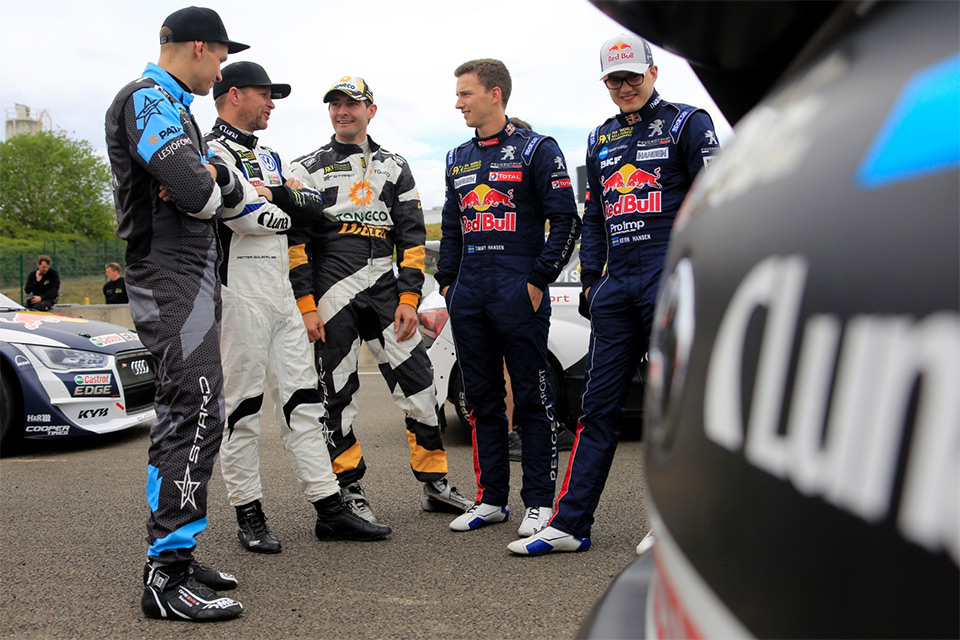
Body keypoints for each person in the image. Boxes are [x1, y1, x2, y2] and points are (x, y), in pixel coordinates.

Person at [509, 34, 720, 556]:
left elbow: (715, 200)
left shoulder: (688, 123)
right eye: (614, 79)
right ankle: (571, 523)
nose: (624, 86)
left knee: (674, 403)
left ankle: (674, 522)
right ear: (605, 82)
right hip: (616, 283)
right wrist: (590, 280)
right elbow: (596, 217)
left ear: (653, 73)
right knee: (596, 407)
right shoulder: (599, 138)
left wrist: (696, 272)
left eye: (632, 76)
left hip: (670, 277)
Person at [204, 61, 390, 554]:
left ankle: (329, 509)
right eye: (265, 95)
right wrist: (272, 206)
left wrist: (274, 197)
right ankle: (248, 511)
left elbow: (312, 211)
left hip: (284, 292)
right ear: (235, 94)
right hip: (238, 292)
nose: (271, 104)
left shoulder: (270, 156)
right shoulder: (208, 150)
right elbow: (242, 217)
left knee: (305, 404)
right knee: (241, 408)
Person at [105, 6, 249, 622]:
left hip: (191, 271)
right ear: (197, 46)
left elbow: (211, 189)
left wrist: (212, 179)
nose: (221, 69)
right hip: (167, 272)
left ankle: (179, 553)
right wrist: (214, 183)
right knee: (191, 410)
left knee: (197, 409)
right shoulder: (145, 98)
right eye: (220, 57)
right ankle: (163, 576)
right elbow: (199, 194)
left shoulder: (177, 108)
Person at [288, 76, 472, 524]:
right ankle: (348, 488)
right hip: (333, 292)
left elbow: (411, 235)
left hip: (387, 293)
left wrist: (410, 296)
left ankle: (435, 484)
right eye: (334, 105)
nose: (342, 111)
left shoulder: (395, 164)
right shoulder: (306, 167)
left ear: (371, 110)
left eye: (351, 104)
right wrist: (307, 305)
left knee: (423, 387)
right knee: (337, 394)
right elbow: (296, 243)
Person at [436, 59, 581, 537]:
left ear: (495, 94)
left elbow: (566, 221)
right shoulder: (457, 157)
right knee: (481, 399)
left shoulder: (537, 148)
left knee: (535, 398)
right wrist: (447, 282)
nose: (458, 102)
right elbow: (453, 229)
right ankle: (490, 498)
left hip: (518, 286)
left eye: (465, 93)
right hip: (470, 291)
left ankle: (539, 501)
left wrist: (538, 278)